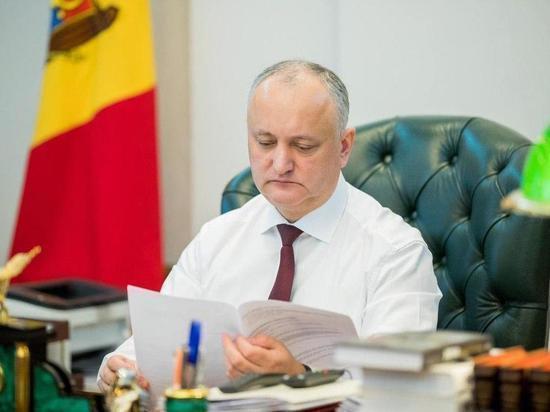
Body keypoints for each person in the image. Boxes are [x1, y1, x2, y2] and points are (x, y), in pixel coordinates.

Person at [97, 60, 442, 392]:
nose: (280, 164)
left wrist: (300, 378)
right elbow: (153, 343)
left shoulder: (396, 252)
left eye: (303, 146)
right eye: (264, 142)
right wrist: (121, 368)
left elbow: (396, 389)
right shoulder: (217, 239)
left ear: (343, 147)